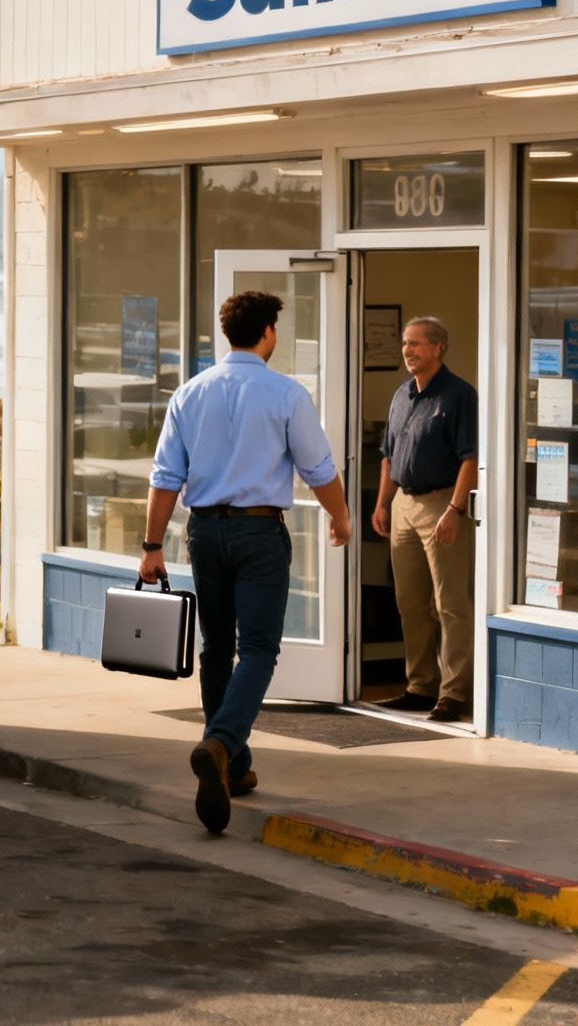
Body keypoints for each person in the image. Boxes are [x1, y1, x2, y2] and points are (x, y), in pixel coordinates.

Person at [139, 290, 350, 835]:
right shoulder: (286, 393)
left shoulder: (189, 393)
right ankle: (220, 743)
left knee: (216, 648)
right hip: (259, 533)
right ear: (268, 333)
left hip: (205, 532)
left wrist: (151, 546)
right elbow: (319, 468)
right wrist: (341, 517)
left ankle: (233, 767)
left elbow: (165, 477)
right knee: (257, 650)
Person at [369, 317, 478, 723]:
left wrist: (455, 509)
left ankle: (454, 693)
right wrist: (383, 504)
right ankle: (420, 686)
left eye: (415, 344)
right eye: (404, 343)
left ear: (438, 348)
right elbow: (388, 456)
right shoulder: (402, 395)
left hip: (442, 504)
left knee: (450, 604)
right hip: (404, 504)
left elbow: (471, 458)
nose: (407, 351)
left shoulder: (459, 395)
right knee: (410, 602)